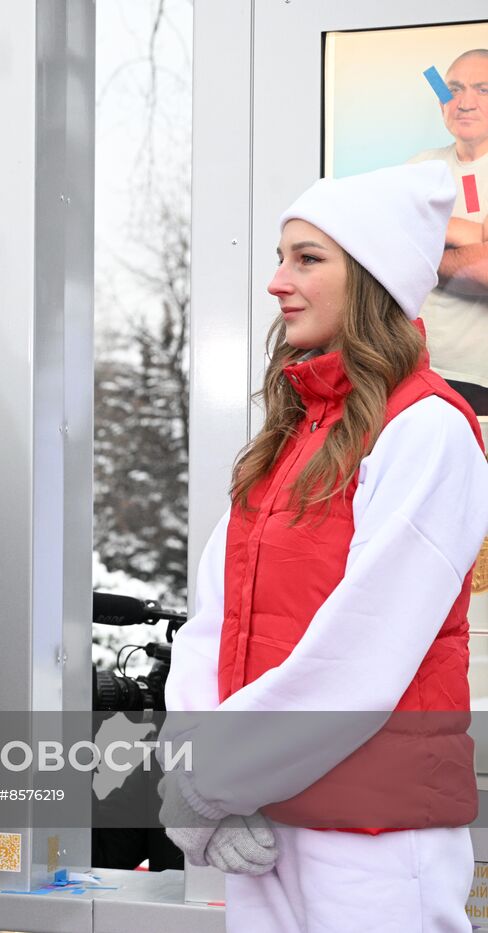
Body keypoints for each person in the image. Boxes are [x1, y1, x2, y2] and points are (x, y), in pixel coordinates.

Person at [160, 163, 488, 931]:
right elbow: (211, 625)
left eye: (307, 258)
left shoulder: (429, 430)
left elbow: (364, 650)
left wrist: (215, 777)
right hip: (262, 826)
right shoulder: (291, 436)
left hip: (371, 841)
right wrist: (191, 774)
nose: (278, 282)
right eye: (281, 256)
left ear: (371, 280)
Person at [407, 49, 488, 413]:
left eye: (483, 89)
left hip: (481, 377)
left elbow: (484, 273)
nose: (465, 102)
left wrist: (425, 239)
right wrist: (471, 233)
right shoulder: (420, 167)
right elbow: (388, 249)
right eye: (453, 89)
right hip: (420, 369)